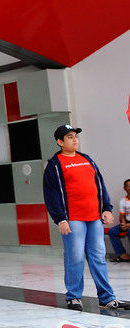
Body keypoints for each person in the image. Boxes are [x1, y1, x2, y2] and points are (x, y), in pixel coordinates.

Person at [43, 125, 130, 310]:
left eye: (75, 136)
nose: (75, 140)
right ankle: (73, 297)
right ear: (60, 142)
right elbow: (51, 194)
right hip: (73, 219)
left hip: (94, 218)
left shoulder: (86, 159)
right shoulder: (55, 165)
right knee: (75, 258)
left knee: (98, 256)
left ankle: (107, 298)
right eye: (69, 137)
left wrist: (106, 208)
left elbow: (100, 185)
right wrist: (61, 219)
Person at [106, 179, 130, 262]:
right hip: (127, 222)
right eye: (128, 186)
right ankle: (122, 255)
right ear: (124, 188)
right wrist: (123, 223)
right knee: (112, 231)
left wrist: (128, 226)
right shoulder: (123, 201)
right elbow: (122, 215)